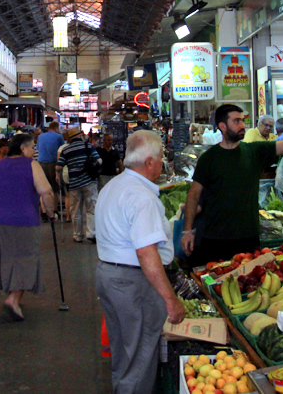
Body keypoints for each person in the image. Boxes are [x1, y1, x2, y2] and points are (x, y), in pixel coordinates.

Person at [180, 105, 283, 267]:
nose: (243, 125)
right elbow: (193, 195)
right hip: (214, 237)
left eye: (243, 121)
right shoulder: (208, 158)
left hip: (248, 236)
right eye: (236, 121)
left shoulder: (254, 151)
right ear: (222, 126)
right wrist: (187, 231)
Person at [95, 130, 185, 394]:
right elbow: (146, 253)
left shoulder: (114, 186)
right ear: (149, 162)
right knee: (140, 358)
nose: (162, 163)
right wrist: (170, 299)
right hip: (134, 284)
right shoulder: (142, 197)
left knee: (125, 352)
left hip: (109, 276)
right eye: (160, 158)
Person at [0, 133, 56, 320]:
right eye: (32, 147)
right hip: (26, 220)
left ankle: (13, 295)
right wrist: (50, 213)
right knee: (26, 259)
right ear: (22, 148)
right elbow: (46, 191)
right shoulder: (32, 165)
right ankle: (13, 298)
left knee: (6, 258)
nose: (34, 151)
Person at [57, 126, 101, 243]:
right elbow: (99, 160)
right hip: (89, 182)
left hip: (74, 183)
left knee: (76, 210)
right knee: (91, 209)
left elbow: (59, 166)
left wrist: (59, 175)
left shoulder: (66, 150)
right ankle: (91, 233)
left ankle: (77, 235)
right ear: (80, 136)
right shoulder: (88, 146)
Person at [36, 121, 65, 196]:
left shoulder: (40, 136)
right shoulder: (59, 137)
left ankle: (44, 207)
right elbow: (62, 150)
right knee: (54, 188)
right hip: (53, 163)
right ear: (56, 128)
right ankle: (54, 206)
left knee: (44, 187)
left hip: (41, 163)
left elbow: (38, 149)